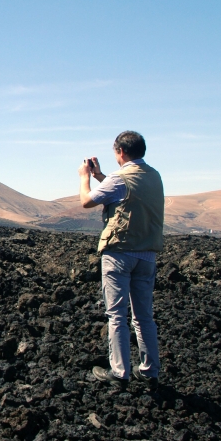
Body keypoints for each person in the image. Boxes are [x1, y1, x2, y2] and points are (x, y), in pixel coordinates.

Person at [77, 130, 164, 392]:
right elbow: (124, 193)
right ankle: (149, 371)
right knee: (143, 316)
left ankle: (119, 372)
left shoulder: (120, 178)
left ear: (121, 152)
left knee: (116, 316)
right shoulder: (154, 176)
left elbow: (86, 201)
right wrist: (100, 176)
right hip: (147, 255)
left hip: (119, 254)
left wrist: (84, 178)